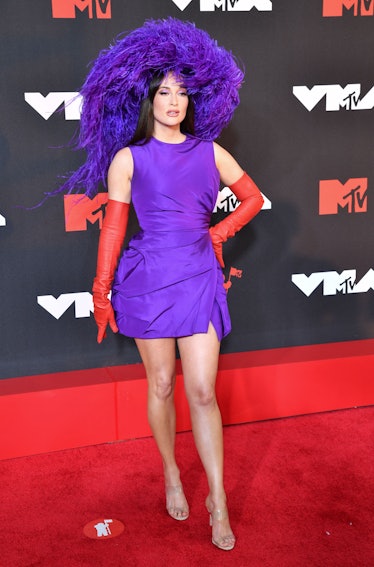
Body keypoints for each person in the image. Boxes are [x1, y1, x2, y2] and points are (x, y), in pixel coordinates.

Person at [60, 18, 264, 551]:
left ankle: (217, 500)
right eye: (163, 92)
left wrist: (218, 233)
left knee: (201, 390)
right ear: (150, 100)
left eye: (181, 92)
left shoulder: (210, 151)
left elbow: (253, 199)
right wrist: (101, 289)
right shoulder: (129, 159)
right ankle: (172, 472)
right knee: (162, 386)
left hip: (197, 277)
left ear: (191, 100)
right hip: (148, 281)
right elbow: (113, 227)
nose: (174, 101)